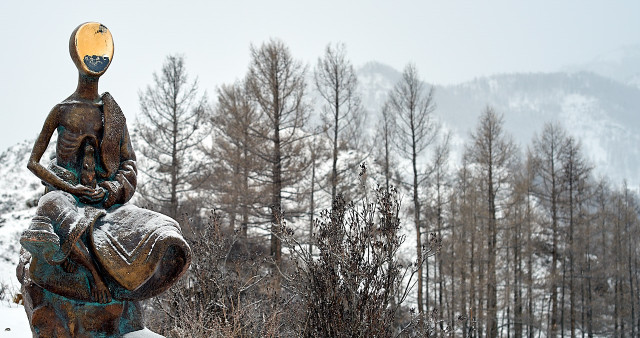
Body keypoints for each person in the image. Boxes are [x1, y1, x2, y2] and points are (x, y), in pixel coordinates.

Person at [19, 23, 189, 306]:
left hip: (104, 203)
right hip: (64, 198)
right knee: (68, 224)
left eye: (100, 55)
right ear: (76, 56)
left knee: (164, 227)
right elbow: (33, 162)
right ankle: (92, 281)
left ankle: (127, 288)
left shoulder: (112, 115)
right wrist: (69, 187)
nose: (95, 61)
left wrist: (109, 190)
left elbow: (128, 165)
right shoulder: (62, 111)